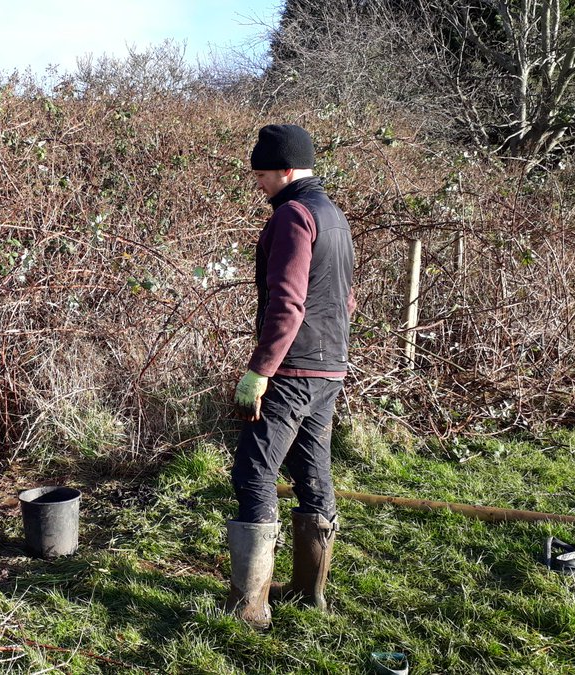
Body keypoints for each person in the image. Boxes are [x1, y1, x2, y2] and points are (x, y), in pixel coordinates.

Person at [224, 124, 355, 630]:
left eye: (261, 174)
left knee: (254, 471)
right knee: (312, 470)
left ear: (285, 169)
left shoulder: (293, 217)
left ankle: (249, 608)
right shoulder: (333, 215)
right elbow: (344, 298)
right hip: (330, 367)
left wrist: (260, 371)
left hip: (293, 368)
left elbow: (288, 302)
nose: (257, 183)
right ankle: (308, 592)